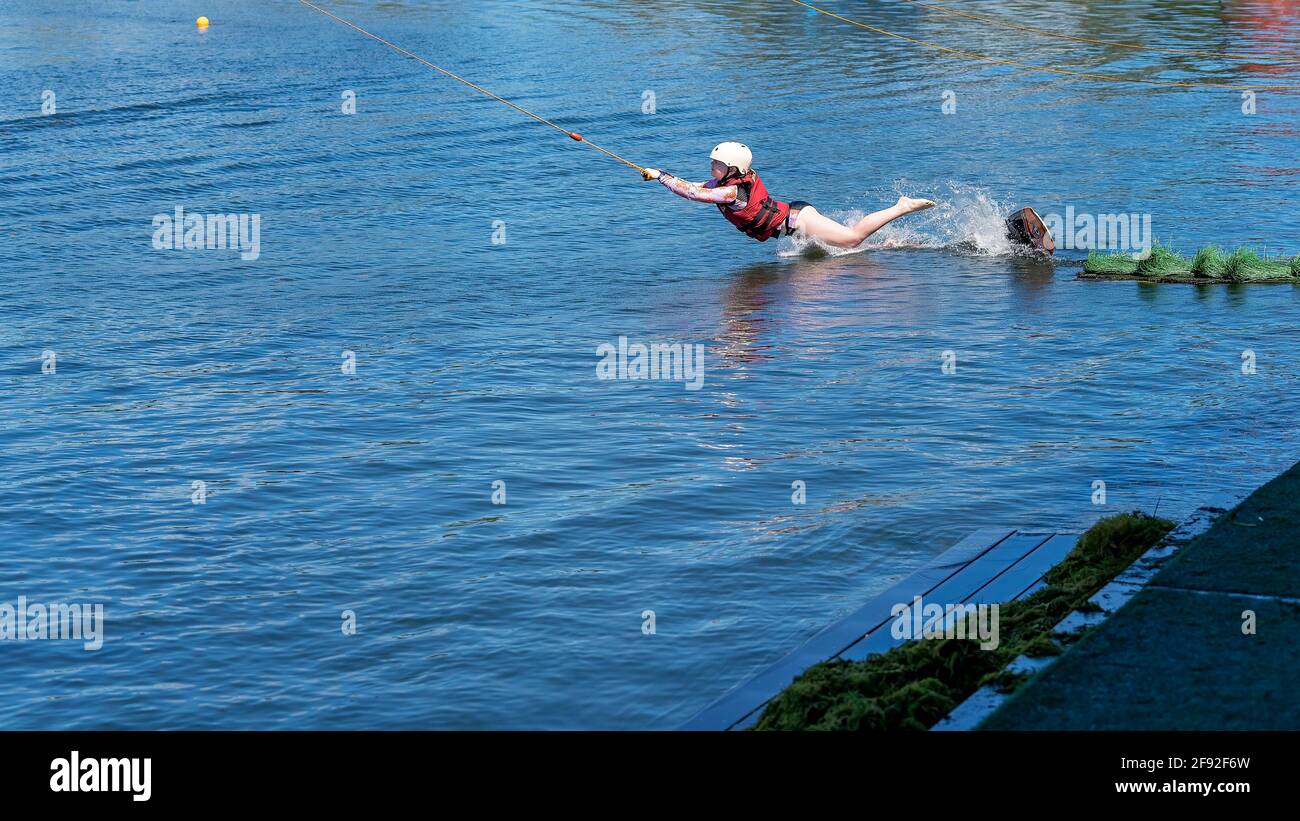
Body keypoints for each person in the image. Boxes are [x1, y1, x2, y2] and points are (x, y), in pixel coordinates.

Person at [641, 141, 935, 248]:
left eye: (716, 164)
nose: (711, 166)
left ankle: (902, 206)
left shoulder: (732, 191)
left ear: (732, 168)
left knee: (852, 238)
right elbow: (694, 186)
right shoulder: (724, 184)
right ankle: (890, 245)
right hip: (793, 222)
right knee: (843, 248)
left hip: (798, 221)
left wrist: (662, 177)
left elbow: (694, 194)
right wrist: (663, 176)